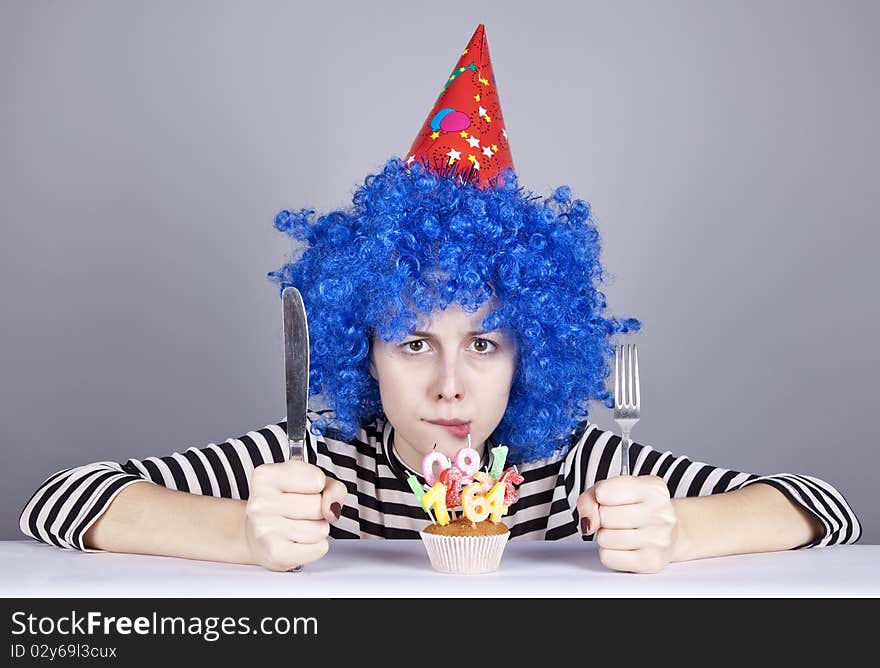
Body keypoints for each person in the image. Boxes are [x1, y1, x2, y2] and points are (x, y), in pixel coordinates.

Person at [19, 25, 861, 574]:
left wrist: (677, 532)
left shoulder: (573, 470)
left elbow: (826, 509)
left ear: (531, 350)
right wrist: (240, 533)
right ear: (364, 351)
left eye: (485, 345)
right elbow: (58, 500)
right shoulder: (317, 462)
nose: (451, 386)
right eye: (415, 344)